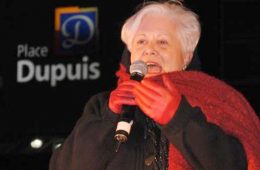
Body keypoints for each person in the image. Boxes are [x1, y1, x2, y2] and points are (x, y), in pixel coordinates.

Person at [49, 1, 260, 170]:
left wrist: (179, 118)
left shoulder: (215, 98)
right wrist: (109, 118)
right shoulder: (101, 106)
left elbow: (240, 163)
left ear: (186, 57)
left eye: (162, 42)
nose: (149, 50)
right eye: (141, 42)